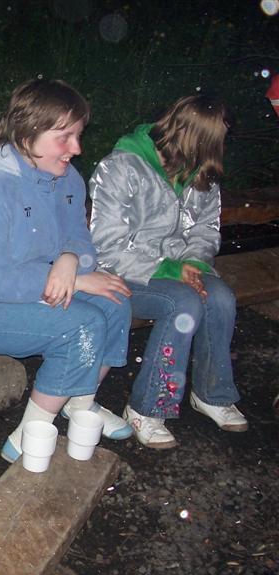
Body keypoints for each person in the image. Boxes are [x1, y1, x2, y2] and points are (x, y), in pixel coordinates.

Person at [0, 79, 133, 463]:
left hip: (35, 285)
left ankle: (79, 402)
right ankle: (31, 433)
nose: (77, 148)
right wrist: (75, 279)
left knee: (115, 300)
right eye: (64, 137)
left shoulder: (68, 179)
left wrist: (70, 259)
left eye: (78, 135)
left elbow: (78, 237)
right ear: (26, 134)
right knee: (81, 325)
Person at [89, 94, 248, 449]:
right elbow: (108, 246)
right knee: (183, 304)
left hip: (178, 269)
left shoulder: (200, 171)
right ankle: (147, 406)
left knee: (221, 297)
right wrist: (170, 269)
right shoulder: (122, 167)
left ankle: (212, 394)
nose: (220, 148)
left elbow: (205, 229)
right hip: (123, 272)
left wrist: (194, 264)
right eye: (216, 140)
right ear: (193, 137)